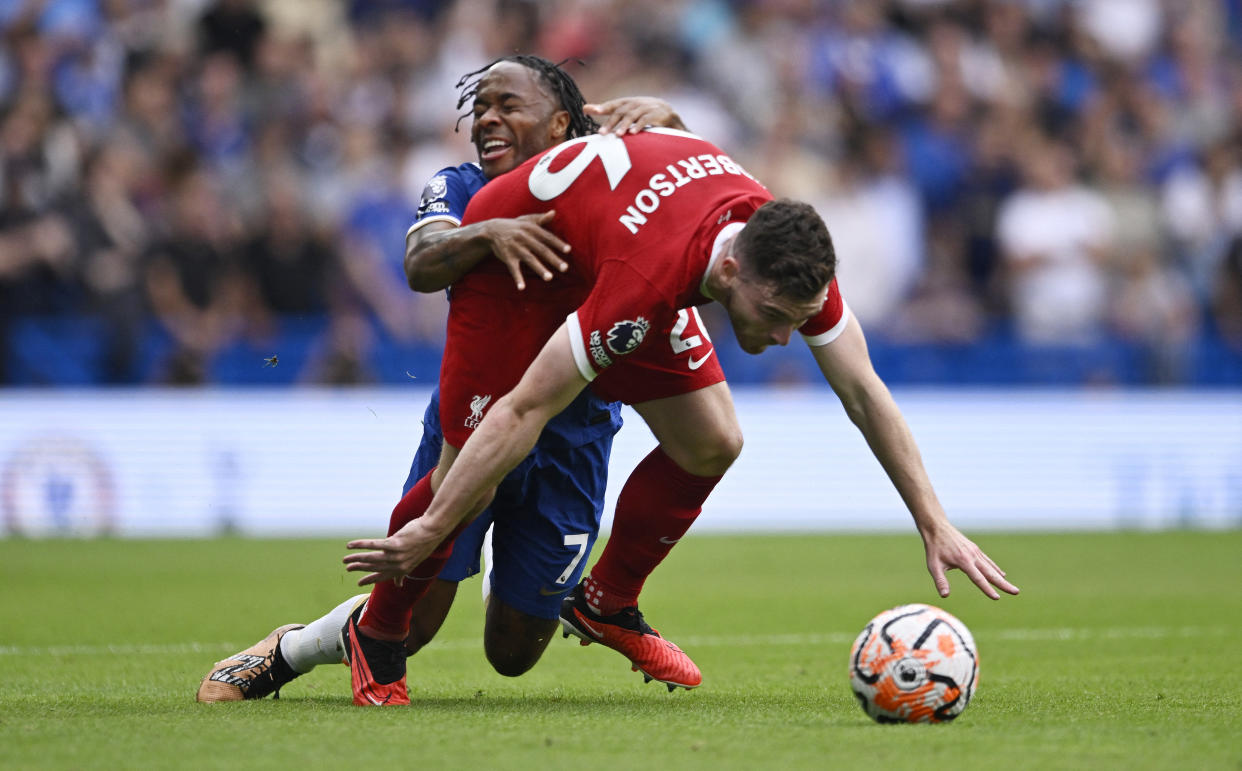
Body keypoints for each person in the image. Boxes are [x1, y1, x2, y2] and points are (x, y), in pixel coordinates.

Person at [341, 128, 1020, 702]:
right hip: (520, 269)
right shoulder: (646, 279)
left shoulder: (789, 253)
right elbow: (525, 409)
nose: (786, 337)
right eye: (777, 318)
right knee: (472, 475)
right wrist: (432, 523)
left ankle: (605, 601)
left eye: (799, 319)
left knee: (714, 439)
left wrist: (933, 521)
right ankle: (379, 635)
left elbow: (865, 391)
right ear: (728, 273)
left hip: (615, 245)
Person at [197, 56, 703, 705]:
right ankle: (289, 650)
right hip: (473, 427)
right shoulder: (460, 185)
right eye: (480, 108)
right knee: (411, 627)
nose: (487, 119)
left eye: (506, 106)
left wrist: (669, 115)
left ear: (559, 122)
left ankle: (519, 577)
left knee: (514, 653)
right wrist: (487, 231)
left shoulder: (607, 181)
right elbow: (420, 261)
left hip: (574, 433)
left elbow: (684, 183)